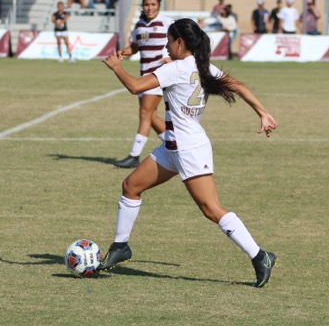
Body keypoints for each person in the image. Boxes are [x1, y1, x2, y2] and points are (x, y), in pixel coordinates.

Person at [100, 18, 278, 288]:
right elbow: (239, 86)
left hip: (189, 149)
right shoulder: (202, 67)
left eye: (169, 40)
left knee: (211, 209)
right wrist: (263, 113)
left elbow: (135, 87)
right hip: (172, 147)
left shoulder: (179, 69)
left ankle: (260, 255)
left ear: (180, 42)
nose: (166, 45)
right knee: (131, 186)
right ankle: (120, 246)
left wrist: (116, 67)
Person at [112, 0, 171, 169]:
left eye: (153, 4)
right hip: (143, 75)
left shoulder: (167, 23)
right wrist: (122, 52)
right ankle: (173, 146)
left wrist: (174, 60)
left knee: (145, 113)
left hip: (158, 76)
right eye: (146, 4)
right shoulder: (139, 25)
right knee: (150, 116)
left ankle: (134, 156)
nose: (150, 7)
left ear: (159, 4)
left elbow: (183, 43)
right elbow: (136, 47)